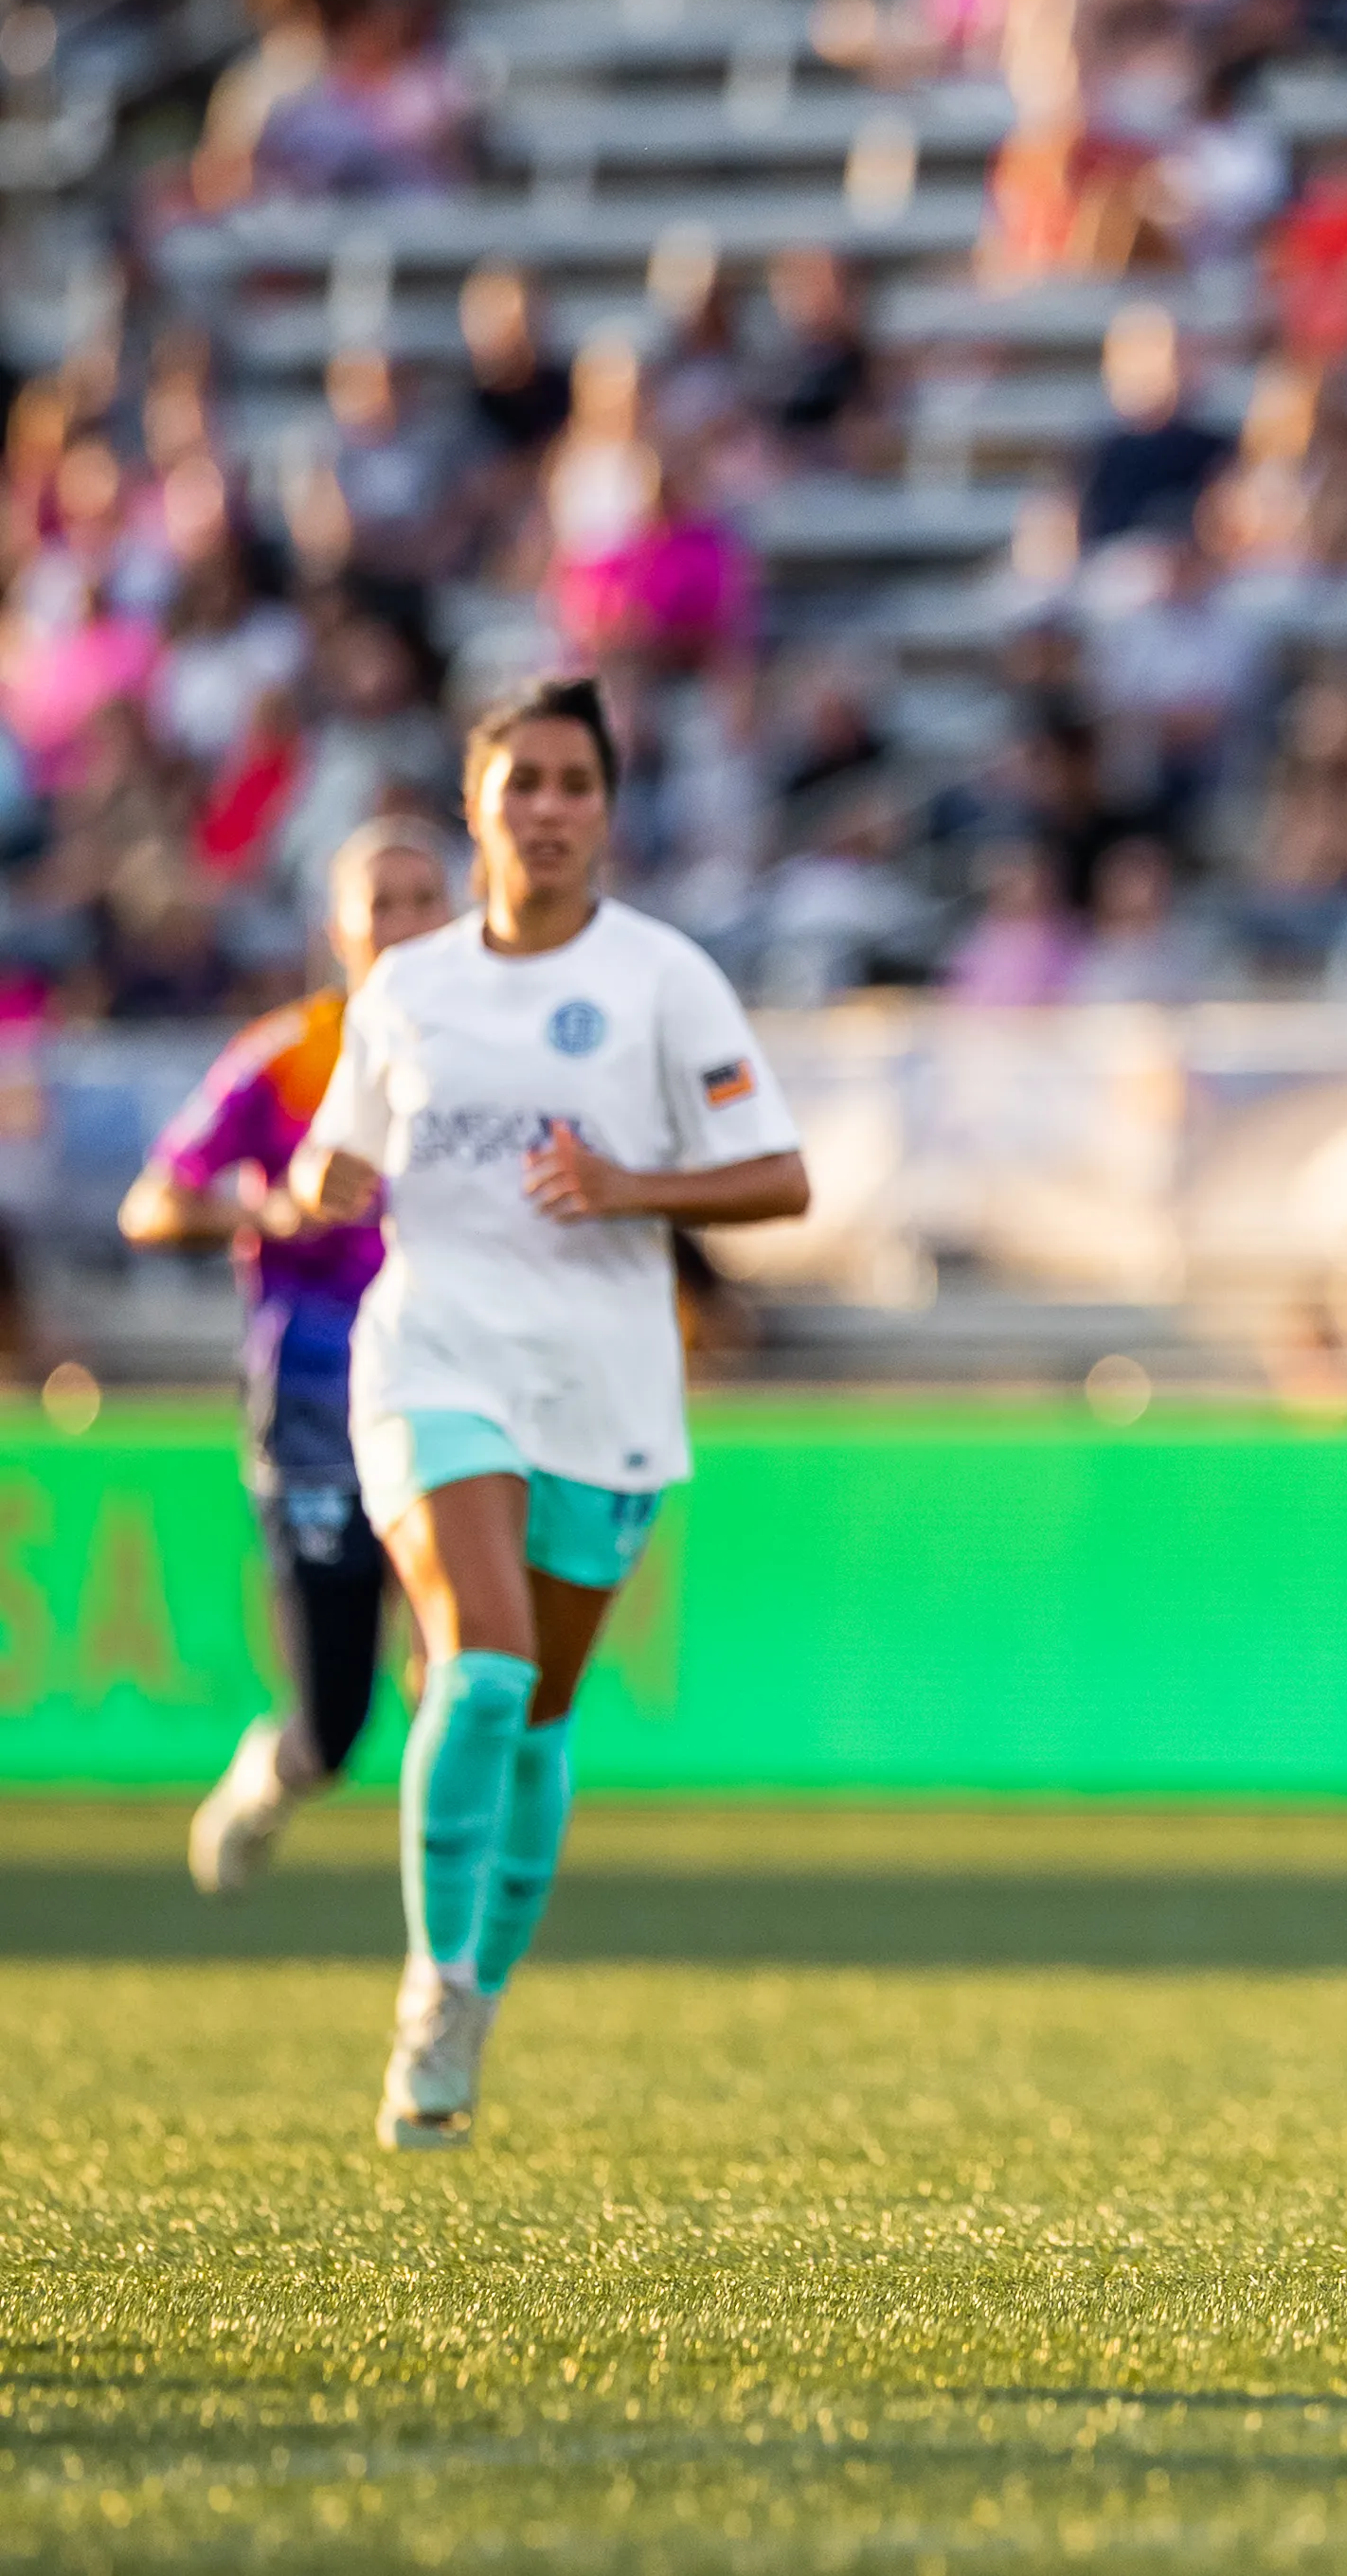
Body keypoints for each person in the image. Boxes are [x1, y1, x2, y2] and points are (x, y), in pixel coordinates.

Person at [290, 679, 812, 2152]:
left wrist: (630, 1183)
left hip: (604, 1381)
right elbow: (344, 1155)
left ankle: (480, 1997)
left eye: (575, 781)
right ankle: (433, 1983)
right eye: (522, 781)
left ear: (609, 805)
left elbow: (778, 1175)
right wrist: (322, 1186)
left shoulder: (664, 979)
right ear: (479, 805)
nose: (549, 809)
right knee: (485, 1666)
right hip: (432, 1355)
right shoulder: (408, 988)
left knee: (542, 1713)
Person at [124, 821, 459, 1893]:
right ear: (339, 929)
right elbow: (152, 1201)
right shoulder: (287, 1057)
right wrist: (268, 1207)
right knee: (337, 1720)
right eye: (381, 903)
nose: (403, 922)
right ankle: (277, 1772)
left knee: (466, 1660)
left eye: (422, 899)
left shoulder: (483, 1057)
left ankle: (455, 1898)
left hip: (456, 1386)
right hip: (315, 1401)